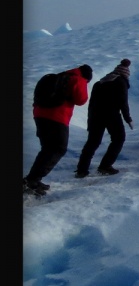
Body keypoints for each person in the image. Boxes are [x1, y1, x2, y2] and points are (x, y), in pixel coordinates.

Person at [24, 64, 92, 196]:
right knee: (58, 148)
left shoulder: (61, 76)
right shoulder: (78, 79)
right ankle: (31, 181)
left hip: (39, 115)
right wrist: (84, 83)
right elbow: (81, 99)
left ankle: (33, 179)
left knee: (48, 148)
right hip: (56, 117)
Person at [76, 59, 133, 178]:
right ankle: (105, 166)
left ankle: (82, 169)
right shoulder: (121, 82)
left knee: (92, 142)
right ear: (125, 74)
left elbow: (92, 103)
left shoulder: (99, 82)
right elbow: (123, 102)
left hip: (95, 115)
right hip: (112, 115)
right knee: (118, 139)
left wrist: (90, 119)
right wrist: (128, 119)